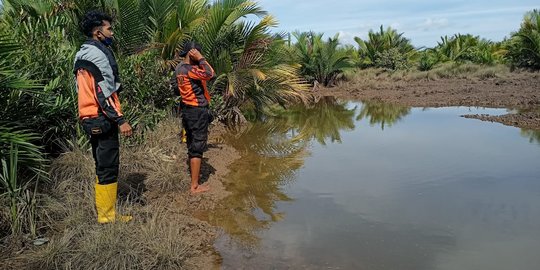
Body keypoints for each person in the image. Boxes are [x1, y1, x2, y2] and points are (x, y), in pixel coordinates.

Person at [73, 10, 133, 223]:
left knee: (101, 164)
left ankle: (104, 212)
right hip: (102, 117)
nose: (112, 32)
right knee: (108, 166)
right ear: (98, 32)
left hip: (87, 117)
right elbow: (103, 92)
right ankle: (107, 217)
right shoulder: (99, 55)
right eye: (109, 28)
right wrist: (120, 120)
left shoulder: (81, 54)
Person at [172, 41, 215, 194]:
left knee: (192, 143)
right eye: (197, 53)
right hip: (197, 111)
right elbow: (210, 74)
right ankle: (194, 186)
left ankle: (194, 178)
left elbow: (176, 89)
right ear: (192, 53)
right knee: (197, 146)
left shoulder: (179, 68)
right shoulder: (189, 69)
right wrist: (201, 58)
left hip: (187, 110)